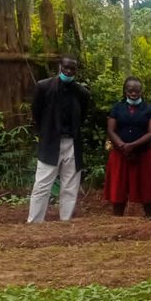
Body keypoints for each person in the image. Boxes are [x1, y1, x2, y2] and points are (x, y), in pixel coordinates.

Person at [27, 56, 89, 223]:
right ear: (59, 66)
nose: (68, 71)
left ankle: (65, 222)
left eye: (72, 69)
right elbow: (37, 113)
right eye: (66, 67)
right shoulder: (43, 87)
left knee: (70, 186)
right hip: (50, 142)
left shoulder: (82, 93)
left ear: (76, 70)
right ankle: (34, 223)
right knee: (42, 184)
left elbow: (82, 116)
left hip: (72, 143)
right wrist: (45, 133)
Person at [104, 76, 151, 216]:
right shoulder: (117, 108)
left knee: (147, 189)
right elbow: (111, 130)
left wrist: (133, 145)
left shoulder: (150, 109)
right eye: (130, 90)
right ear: (125, 91)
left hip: (143, 154)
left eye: (137, 90)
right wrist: (122, 145)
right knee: (119, 189)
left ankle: (150, 220)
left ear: (141, 91)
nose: (133, 94)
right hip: (120, 154)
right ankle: (117, 220)